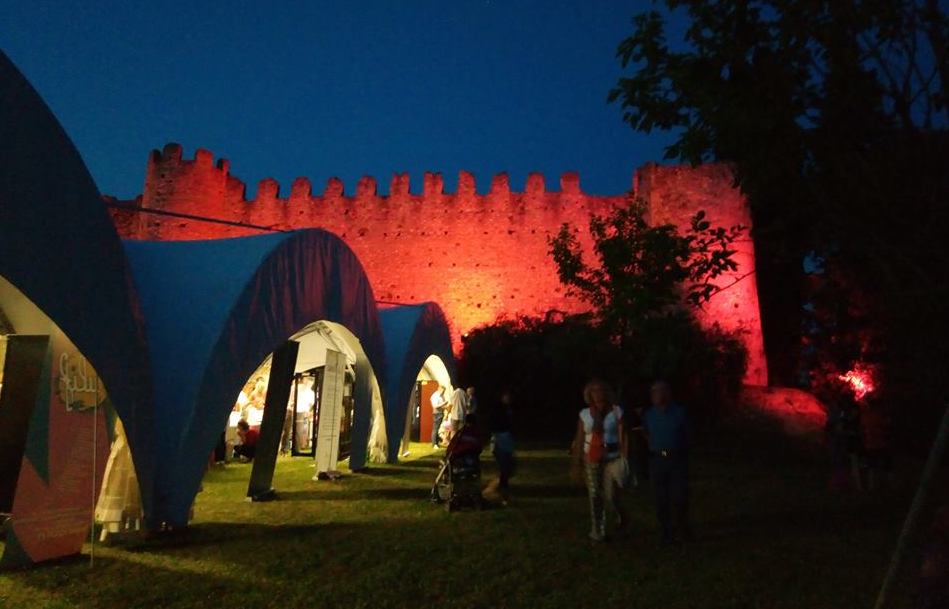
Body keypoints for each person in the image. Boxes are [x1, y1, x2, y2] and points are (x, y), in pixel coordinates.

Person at [572, 379, 629, 542]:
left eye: (601, 390)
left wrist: (625, 457)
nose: (598, 394)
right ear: (589, 394)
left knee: (611, 495)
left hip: (612, 457)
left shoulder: (616, 411)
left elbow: (624, 435)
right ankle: (597, 530)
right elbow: (580, 438)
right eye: (594, 391)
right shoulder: (585, 414)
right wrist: (577, 462)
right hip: (592, 457)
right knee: (595, 494)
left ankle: (622, 515)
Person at [642, 380, 691, 544]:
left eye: (661, 391)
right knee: (660, 498)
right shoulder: (649, 414)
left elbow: (687, 433)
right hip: (657, 459)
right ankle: (666, 531)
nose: (658, 395)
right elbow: (646, 432)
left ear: (668, 393)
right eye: (654, 392)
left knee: (679, 496)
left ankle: (682, 529)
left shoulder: (680, 412)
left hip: (677, 458)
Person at [486, 389, 515, 504]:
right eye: (507, 397)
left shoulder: (508, 409)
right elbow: (495, 424)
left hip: (506, 439)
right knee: (505, 468)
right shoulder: (499, 410)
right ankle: (501, 491)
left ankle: (499, 488)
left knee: (508, 468)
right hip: (501, 439)